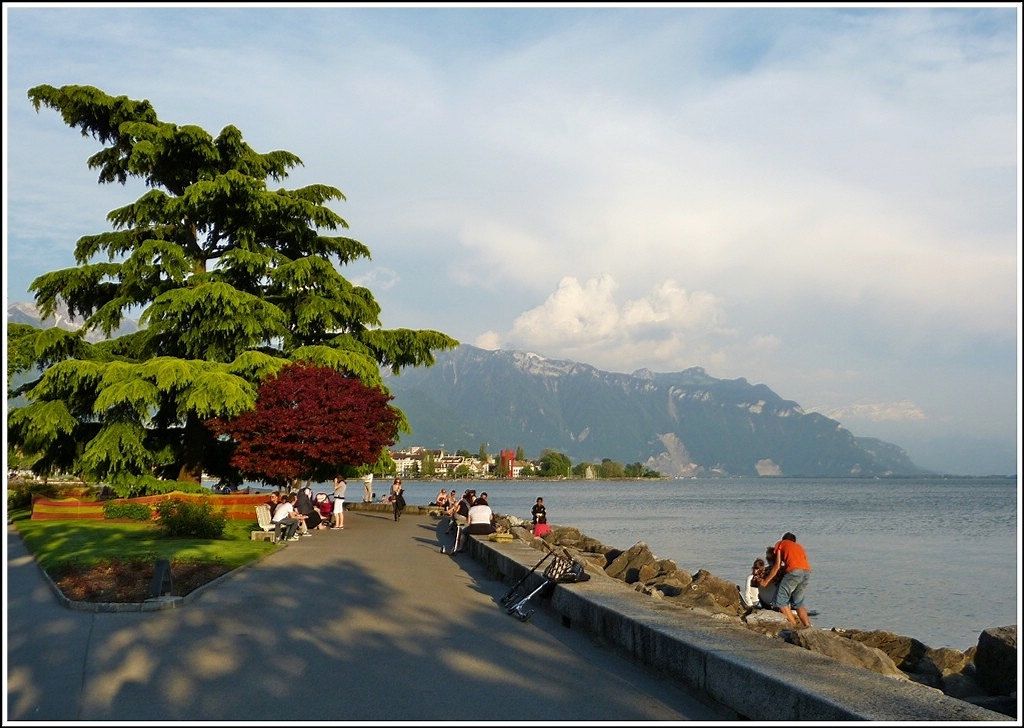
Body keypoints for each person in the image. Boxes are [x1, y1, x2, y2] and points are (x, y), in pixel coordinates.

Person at [761, 532, 812, 627]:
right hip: (807, 572)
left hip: (794, 572)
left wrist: (765, 581)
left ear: (783, 539)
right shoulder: (799, 547)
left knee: (780, 601)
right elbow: (800, 562)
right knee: (798, 602)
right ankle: (808, 626)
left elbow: (777, 566)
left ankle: (794, 626)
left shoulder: (781, 544)